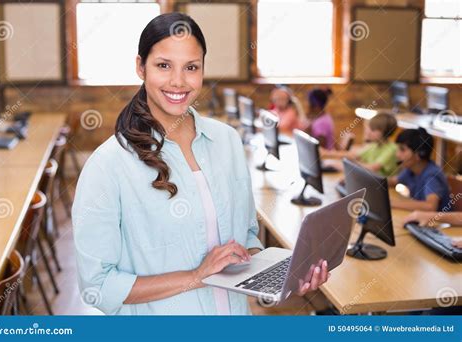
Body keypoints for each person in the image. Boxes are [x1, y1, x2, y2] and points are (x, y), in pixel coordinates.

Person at [72, 13, 328, 315]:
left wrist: (281, 276)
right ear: (140, 67)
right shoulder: (108, 164)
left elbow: (245, 238)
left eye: (191, 67)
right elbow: (97, 287)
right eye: (163, 65)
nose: (178, 81)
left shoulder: (227, 141)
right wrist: (195, 277)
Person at [388, 128, 451, 212]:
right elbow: (392, 181)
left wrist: (393, 203)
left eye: (402, 150)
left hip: (439, 223)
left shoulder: (432, 175)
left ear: (419, 154)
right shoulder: (410, 170)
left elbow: (430, 206)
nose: (397, 155)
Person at [321, 112, 398, 176]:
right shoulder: (374, 145)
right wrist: (327, 154)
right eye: (370, 128)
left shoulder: (392, 149)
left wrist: (341, 165)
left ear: (384, 132)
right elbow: (352, 155)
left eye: (373, 129)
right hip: (369, 181)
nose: (368, 131)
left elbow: (372, 168)